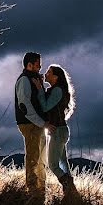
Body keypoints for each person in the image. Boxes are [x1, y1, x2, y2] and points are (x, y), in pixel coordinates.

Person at [35, 64, 77, 197]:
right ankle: (71, 193)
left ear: (56, 77)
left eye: (49, 72)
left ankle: (68, 185)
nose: (45, 74)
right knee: (63, 162)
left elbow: (46, 107)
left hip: (58, 131)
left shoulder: (57, 90)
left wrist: (39, 89)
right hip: (60, 130)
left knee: (52, 164)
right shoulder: (56, 89)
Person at [15, 52, 50, 196]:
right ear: (29, 65)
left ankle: (41, 188)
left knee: (41, 155)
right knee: (33, 155)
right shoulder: (24, 80)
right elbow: (24, 105)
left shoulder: (33, 79)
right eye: (38, 64)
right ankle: (32, 190)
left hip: (37, 123)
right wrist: (41, 122)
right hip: (30, 123)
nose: (40, 66)